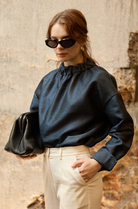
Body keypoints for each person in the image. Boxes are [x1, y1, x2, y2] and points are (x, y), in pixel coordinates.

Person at [17, 9, 134, 209]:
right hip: (49, 165)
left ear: (81, 39)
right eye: (53, 41)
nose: (58, 47)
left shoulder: (98, 79)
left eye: (66, 41)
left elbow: (123, 128)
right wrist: (27, 145)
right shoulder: (47, 82)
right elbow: (36, 121)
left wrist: (99, 161)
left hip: (77, 164)